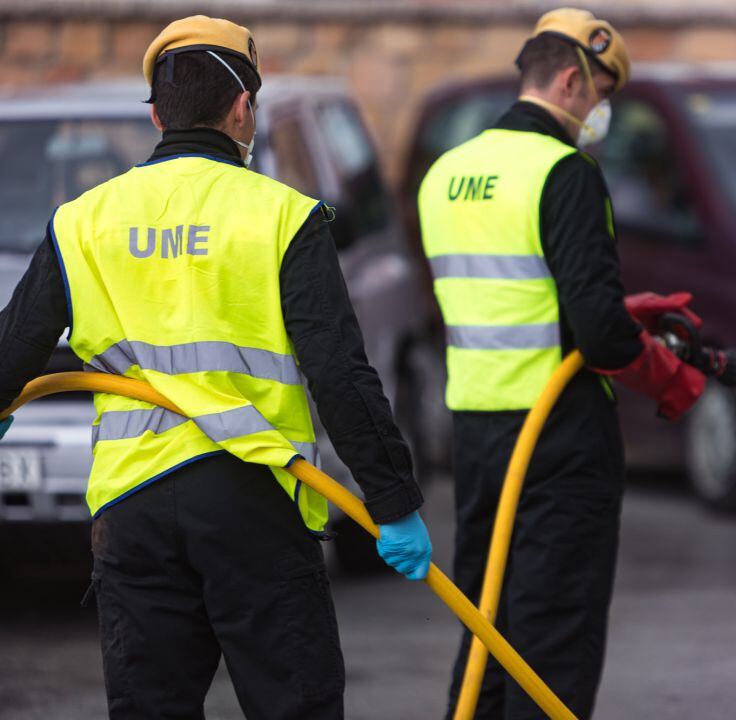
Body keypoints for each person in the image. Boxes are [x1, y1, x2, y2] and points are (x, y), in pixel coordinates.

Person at [0, 15, 432, 719]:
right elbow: (340, 374)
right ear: (241, 109)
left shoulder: (80, 220)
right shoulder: (285, 217)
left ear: (154, 114)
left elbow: (12, 351)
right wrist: (392, 504)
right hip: (254, 501)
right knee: (294, 705)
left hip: (131, 507)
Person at [418, 9, 732, 719]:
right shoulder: (565, 173)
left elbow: (517, 296)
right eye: (599, 95)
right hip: (557, 442)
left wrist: (617, 316)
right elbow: (599, 336)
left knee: (487, 633)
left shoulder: (447, 174)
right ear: (569, 81)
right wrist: (655, 363)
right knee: (551, 639)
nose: (600, 112)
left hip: (479, 438)